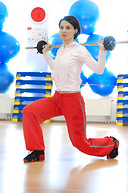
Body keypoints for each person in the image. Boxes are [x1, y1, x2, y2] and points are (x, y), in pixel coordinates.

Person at [22, 15, 119, 163]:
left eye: (68, 28)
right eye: (61, 27)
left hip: (72, 100)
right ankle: (37, 150)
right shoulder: (61, 50)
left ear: (76, 30)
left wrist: (103, 50)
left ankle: (111, 143)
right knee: (29, 111)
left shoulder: (80, 50)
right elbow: (55, 69)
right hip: (57, 98)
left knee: (80, 144)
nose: (63, 31)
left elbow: (98, 70)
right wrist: (46, 53)